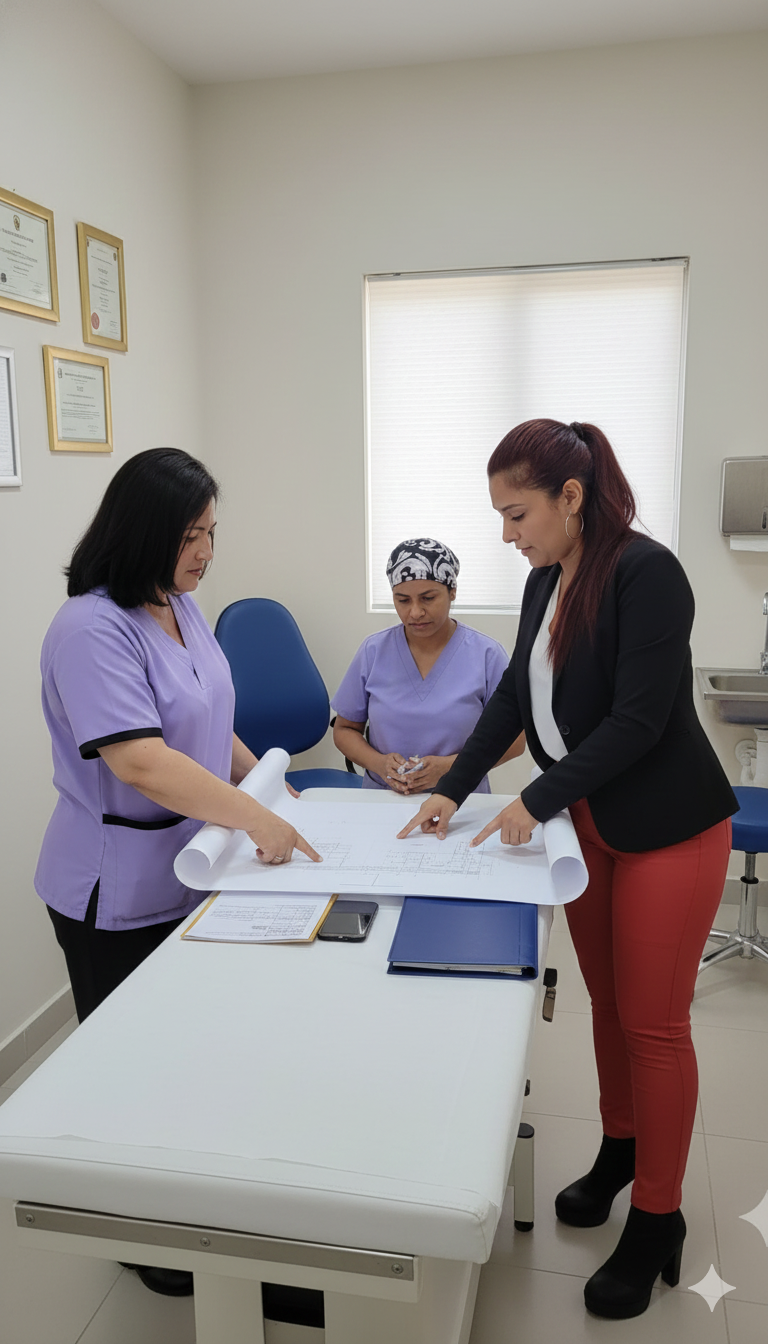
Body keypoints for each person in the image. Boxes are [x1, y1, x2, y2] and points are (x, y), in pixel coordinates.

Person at [398, 421, 736, 1320]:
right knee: (611, 1004)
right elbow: (517, 690)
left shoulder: (646, 573)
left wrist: (533, 801)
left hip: (668, 827)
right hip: (591, 821)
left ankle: (659, 1216)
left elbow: (638, 721)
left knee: (657, 1026)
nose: (507, 534)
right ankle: (620, 1151)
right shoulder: (548, 576)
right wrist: (458, 788)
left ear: (570, 498)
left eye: (517, 514)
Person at [36, 447, 321, 1296]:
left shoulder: (179, 605)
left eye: (210, 532)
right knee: (132, 1071)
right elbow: (143, 762)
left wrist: (265, 781)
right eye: (191, 534)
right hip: (111, 888)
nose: (206, 551)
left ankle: (202, 1213)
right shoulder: (90, 627)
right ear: (146, 531)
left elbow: (208, 715)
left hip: (192, 871)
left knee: (194, 1062)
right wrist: (257, 816)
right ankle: (146, 1240)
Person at [331, 538, 524, 794]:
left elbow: (515, 741)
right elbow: (345, 730)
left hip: (460, 797)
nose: (415, 612)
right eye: (403, 600)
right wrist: (379, 764)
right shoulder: (373, 651)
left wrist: (450, 767)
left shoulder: (487, 655)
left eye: (428, 598)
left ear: (452, 591)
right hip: (384, 798)